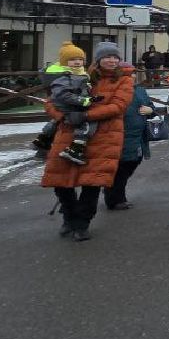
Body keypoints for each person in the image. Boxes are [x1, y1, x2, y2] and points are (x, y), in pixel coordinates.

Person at [40, 42, 134, 241]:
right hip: (68, 132)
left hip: (105, 136)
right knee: (61, 181)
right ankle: (69, 216)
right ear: (98, 59)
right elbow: (51, 100)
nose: (112, 60)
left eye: (115, 57)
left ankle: (82, 224)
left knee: (92, 183)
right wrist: (62, 117)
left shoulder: (124, 80)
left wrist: (85, 116)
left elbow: (118, 106)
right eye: (107, 57)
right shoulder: (81, 74)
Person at [39, 42, 102, 166]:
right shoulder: (66, 76)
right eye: (73, 60)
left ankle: (43, 139)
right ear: (64, 62)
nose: (77, 62)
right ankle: (75, 149)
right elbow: (63, 95)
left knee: (60, 121)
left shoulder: (78, 73)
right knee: (87, 123)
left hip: (70, 105)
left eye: (80, 59)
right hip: (71, 106)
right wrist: (83, 100)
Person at [103, 63, 155, 211]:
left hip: (139, 135)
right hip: (120, 134)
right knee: (121, 167)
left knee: (132, 163)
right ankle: (115, 199)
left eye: (132, 73)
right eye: (127, 74)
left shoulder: (139, 90)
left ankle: (114, 194)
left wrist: (150, 109)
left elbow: (151, 106)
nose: (131, 76)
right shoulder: (114, 91)